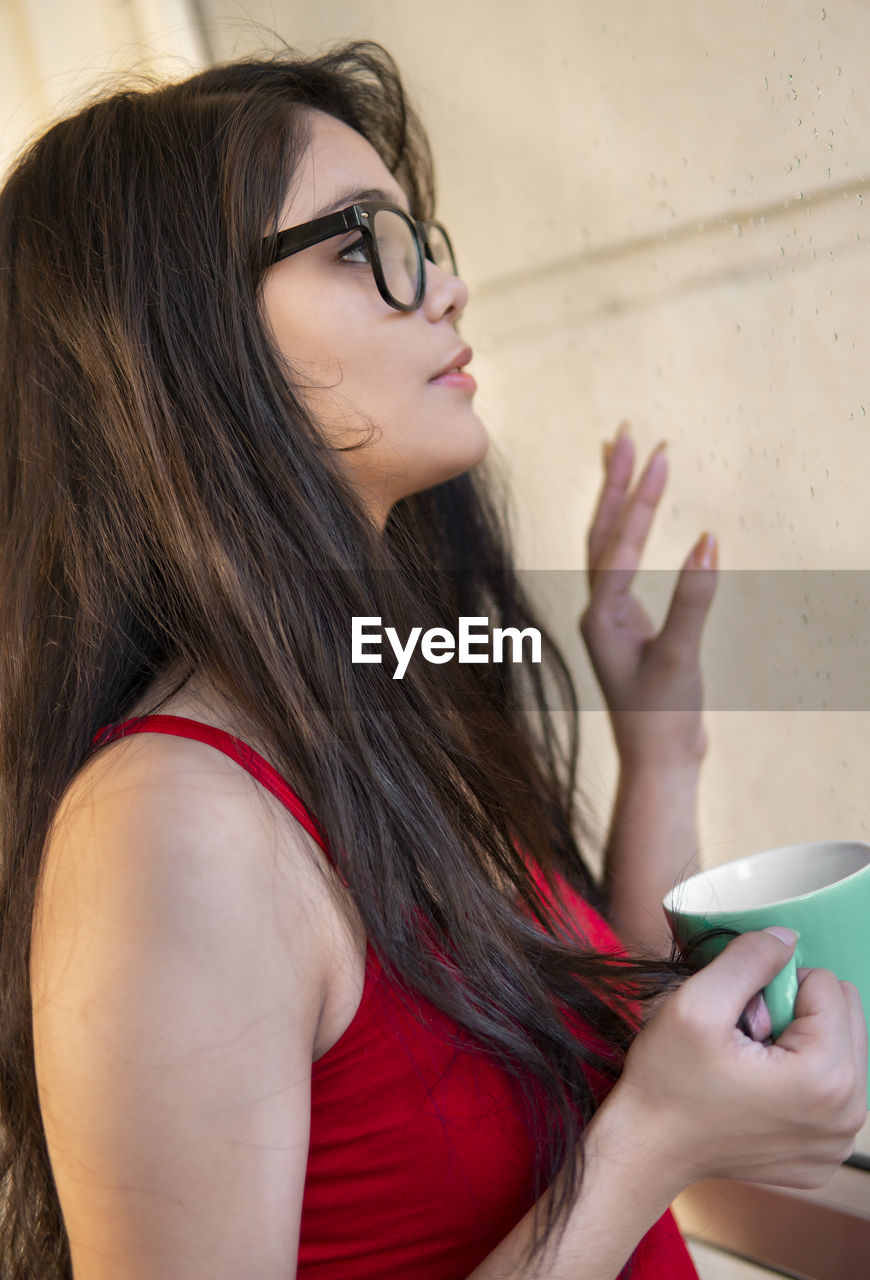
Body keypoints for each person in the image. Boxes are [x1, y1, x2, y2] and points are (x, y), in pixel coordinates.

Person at [0, 39, 865, 1280]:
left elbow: (578, 1049)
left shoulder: (389, 697)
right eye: (360, 245)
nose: (445, 292)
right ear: (177, 340)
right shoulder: (164, 830)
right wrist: (653, 1143)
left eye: (418, 239)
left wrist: (661, 741)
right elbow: (621, 1135)